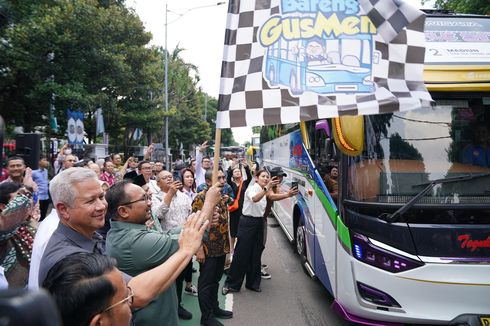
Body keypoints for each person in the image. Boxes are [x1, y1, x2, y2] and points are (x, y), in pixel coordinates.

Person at [37, 167, 214, 312]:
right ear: (64, 210)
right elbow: (134, 294)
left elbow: (129, 283)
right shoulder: (69, 259)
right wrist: (186, 250)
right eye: (90, 201)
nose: (101, 206)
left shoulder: (91, 236)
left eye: (100, 197)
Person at [222, 169, 283, 294]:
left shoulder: (265, 190)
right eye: (263, 176)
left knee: (256, 254)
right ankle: (232, 284)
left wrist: (288, 195)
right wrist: (266, 189)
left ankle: (253, 283)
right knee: (241, 254)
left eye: (267, 177)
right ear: (256, 178)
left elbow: (271, 196)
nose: (266, 179)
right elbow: (255, 199)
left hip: (259, 223)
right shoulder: (252, 189)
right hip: (247, 223)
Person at [151, 170, 196, 318]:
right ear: (158, 183)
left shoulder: (184, 197)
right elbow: (157, 215)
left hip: (185, 241)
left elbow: (190, 215)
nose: (169, 179)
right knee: (169, 277)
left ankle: (177, 305)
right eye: (165, 178)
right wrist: (169, 194)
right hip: (167, 244)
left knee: (180, 276)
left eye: (170, 177)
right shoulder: (155, 198)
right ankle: (169, 307)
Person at [192, 169, 233, 326]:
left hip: (220, 247)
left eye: (223, 177)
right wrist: (199, 249)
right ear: (208, 182)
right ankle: (206, 317)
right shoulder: (201, 198)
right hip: (207, 249)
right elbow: (196, 225)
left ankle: (214, 308)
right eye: (219, 178)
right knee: (206, 283)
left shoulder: (221, 197)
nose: (222, 181)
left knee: (216, 280)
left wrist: (227, 248)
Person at [261, 167, 299, 279]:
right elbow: (271, 196)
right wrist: (288, 194)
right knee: (259, 245)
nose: (281, 179)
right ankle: (257, 268)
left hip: (262, 218)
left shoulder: (273, 185)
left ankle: (256, 264)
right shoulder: (267, 184)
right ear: (273, 177)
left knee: (261, 244)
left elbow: (275, 197)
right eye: (279, 176)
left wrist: (277, 187)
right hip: (257, 219)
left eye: (282, 176)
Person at [0, 182, 36, 287]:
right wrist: (27, 189)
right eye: (18, 197)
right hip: (13, 293)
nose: (26, 201)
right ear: (2, 206)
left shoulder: (28, 223)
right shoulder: (4, 228)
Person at [226, 160, 252, 250]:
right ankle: (232, 251)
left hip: (243, 210)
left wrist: (246, 168)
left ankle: (240, 249)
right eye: (235, 172)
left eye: (238, 171)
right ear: (233, 175)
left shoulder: (244, 183)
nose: (237, 172)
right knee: (233, 232)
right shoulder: (231, 184)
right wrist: (231, 167)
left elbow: (249, 177)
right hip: (234, 210)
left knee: (242, 231)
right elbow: (227, 178)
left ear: (241, 174)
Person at [32, 156, 50, 221]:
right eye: (44, 160)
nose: (46, 162)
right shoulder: (33, 172)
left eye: (46, 160)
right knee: (37, 216)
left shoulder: (46, 171)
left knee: (43, 216)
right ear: (39, 162)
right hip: (39, 197)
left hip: (46, 197)